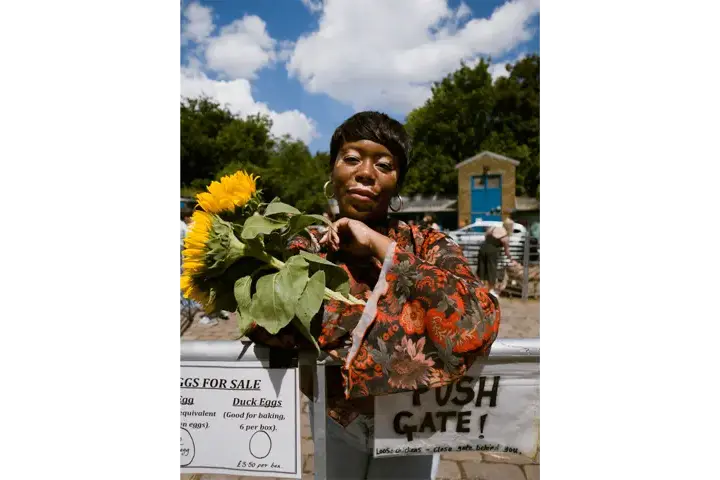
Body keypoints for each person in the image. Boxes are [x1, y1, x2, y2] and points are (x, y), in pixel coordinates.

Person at [246, 111, 501, 479]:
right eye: (351, 159)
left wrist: (380, 247)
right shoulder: (303, 247)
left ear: (397, 183)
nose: (365, 172)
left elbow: (476, 317)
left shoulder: (427, 244)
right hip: (336, 418)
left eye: (384, 164)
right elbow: (262, 320)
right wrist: (414, 325)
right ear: (332, 172)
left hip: (413, 422)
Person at [476, 217, 517, 295]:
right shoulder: (505, 236)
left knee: (481, 270)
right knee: (491, 271)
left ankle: (480, 289)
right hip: (493, 252)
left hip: (482, 249)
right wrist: (511, 259)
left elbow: (486, 236)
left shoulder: (493, 228)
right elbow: (507, 251)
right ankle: (490, 291)